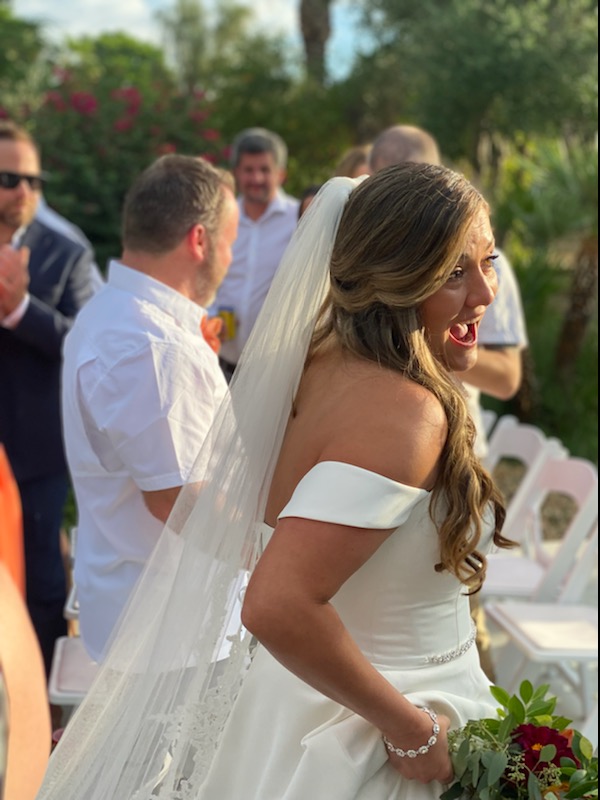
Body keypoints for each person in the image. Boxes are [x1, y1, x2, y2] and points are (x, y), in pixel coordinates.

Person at [37, 162, 514, 800]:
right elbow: (276, 602)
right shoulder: (406, 412)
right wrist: (415, 733)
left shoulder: (313, 367)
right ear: (393, 277)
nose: (484, 293)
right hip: (376, 732)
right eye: (454, 271)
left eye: (489, 261)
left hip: (293, 706)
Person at [60, 154, 238, 663]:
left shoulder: (112, 315)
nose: (231, 258)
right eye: (229, 242)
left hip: (144, 614)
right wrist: (289, 563)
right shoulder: (150, 344)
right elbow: (180, 500)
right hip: (174, 637)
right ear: (199, 240)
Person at [368, 124, 528, 459]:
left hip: (456, 445)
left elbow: (507, 378)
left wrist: (429, 346)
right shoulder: (363, 259)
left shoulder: (486, 267)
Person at [0, 121, 96, 679]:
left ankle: (37, 704)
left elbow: (86, 345)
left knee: (39, 582)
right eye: (10, 178)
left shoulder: (66, 252)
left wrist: (19, 310)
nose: (25, 192)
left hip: (34, 453)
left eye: (34, 180)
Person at [210, 127, 299, 380]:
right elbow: (205, 277)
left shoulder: (299, 219)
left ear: (281, 174)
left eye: (265, 170)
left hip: (274, 370)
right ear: (236, 173)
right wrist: (211, 315)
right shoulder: (219, 218)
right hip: (222, 364)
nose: (256, 178)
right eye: (248, 170)